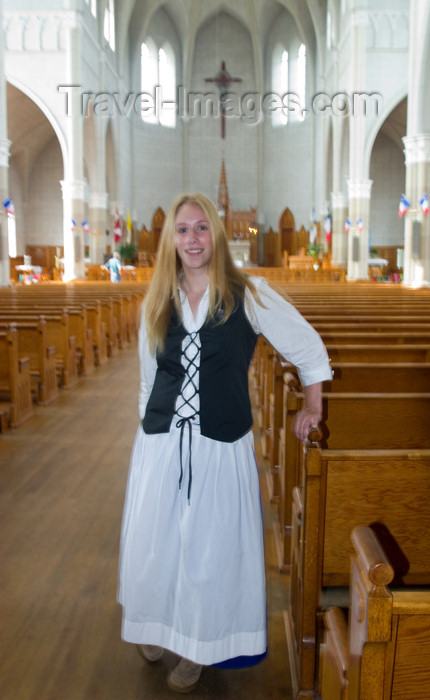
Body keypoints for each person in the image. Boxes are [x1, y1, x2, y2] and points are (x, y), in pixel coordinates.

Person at [117, 192, 333, 694]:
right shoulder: (156, 301)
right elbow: (149, 381)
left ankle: (196, 645)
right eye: (183, 229)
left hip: (220, 447)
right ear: (170, 238)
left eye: (201, 228)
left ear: (215, 234)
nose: (192, 239)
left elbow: (308, 348)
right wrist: (147, 439)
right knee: (159, 545)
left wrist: (313, 406)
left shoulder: (248, 293)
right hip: (162, 444)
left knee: (206, 551)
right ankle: (155, 625)